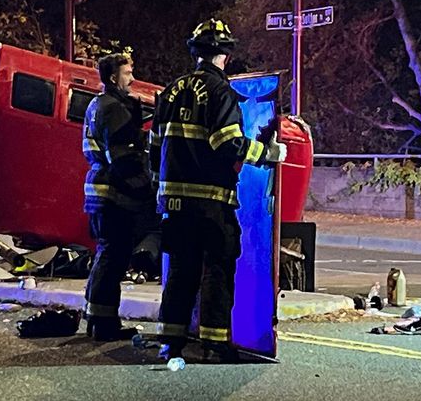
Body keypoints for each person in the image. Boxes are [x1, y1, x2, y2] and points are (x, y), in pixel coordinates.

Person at [149, 19, 286, 361]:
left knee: (180, 272)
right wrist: (267, 153)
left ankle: (171, 341)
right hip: (211, 202)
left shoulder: (171, 90)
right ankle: (214, 343)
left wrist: (161, 192)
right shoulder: (220, 92)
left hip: (174, 204)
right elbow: (227, 144)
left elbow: (153, 147)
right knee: (218, 270)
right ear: (224, 55)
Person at [82, 52, 154, 341]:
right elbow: (124, 158)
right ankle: (104, 325)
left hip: (99, 190)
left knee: (107, 254)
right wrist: (146, 187)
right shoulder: (113, 108)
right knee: (114, 256)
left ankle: (97, 318)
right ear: (113, 78)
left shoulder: (97, 104)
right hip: (114, 194)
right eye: (127, 73)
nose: (132, 78)